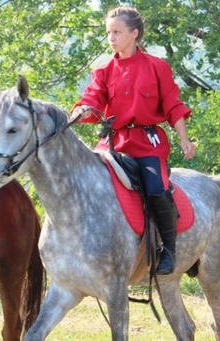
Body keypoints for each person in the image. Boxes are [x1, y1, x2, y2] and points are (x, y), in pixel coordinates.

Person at [71, 6, 196, 275]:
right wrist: (81, 111)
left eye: (117, 32)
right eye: (108, 33)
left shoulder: (157, 67)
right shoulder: (103, 71)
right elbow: (91, 100)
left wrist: (184, 139)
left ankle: (169, 251)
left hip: (147, 143)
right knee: (86, 181)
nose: (111, 38)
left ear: (134, 33)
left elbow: (173, 106)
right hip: (112, 144)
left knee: (155, 188)